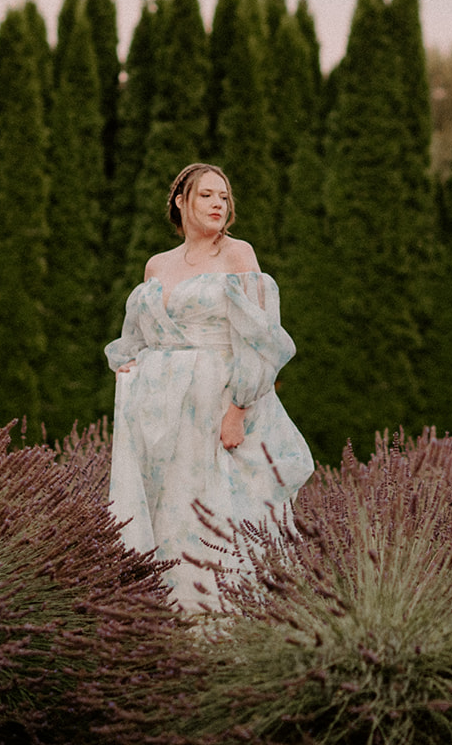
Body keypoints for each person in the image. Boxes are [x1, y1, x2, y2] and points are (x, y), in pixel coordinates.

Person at [105, 162, 314, 610]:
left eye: (224, 196)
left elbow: (260, 340)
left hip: (218, 407)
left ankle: (223, 623)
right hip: (162, 414)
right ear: (181, 202)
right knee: (170, 512)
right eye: (206, 195)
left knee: (222, 516)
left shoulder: (238, 256)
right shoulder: (157, 265)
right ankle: (167, 618)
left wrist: (238, 410)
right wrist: (130, 366)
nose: (219, 203)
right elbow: (140, 334)